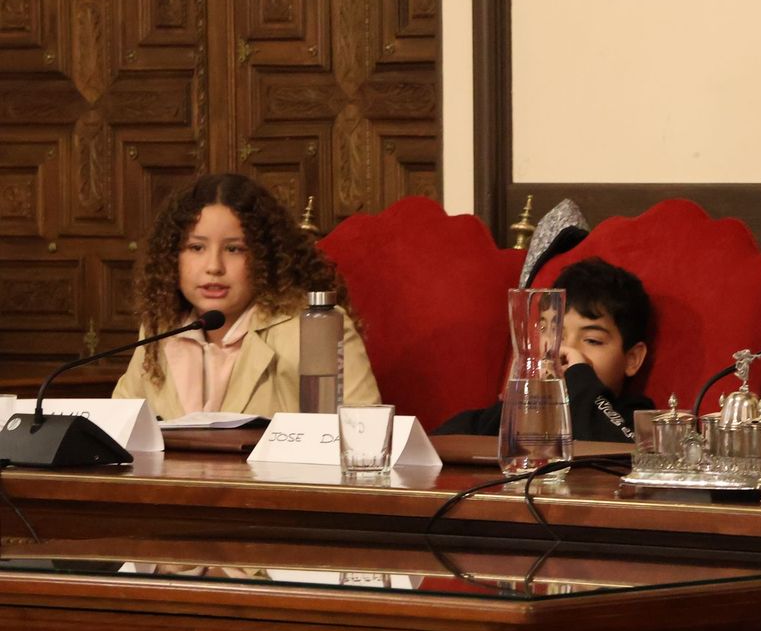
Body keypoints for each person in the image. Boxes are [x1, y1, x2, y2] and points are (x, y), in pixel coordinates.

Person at [113, 173, 380, 418]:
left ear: (266, 257)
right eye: (196, 247)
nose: (214, 266)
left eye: (234, 249)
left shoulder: (314, 327)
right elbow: (119, 431)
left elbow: (363, 436)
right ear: (171, 256)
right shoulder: (160, 328)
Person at [436, 257, 655, 443]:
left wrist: (578, 375)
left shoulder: (634, 414)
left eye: (592, 340)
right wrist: (521, 395)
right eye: (553, 334)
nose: (565, 351)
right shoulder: (527, 410)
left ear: (632, 359)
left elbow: (621, 447)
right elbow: (446, 441)